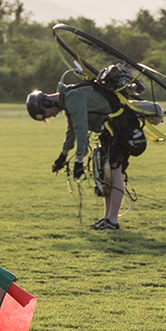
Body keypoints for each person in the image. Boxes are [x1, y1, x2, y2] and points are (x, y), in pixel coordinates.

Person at [26, 64, 149, 230]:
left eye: (49, 115)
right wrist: (63, 155)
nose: (53, 115)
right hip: (109, 131)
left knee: (115, 171)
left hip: (120, 126)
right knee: (105, 175)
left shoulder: (72, 98)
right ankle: (107, 218)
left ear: (47, 103)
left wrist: (79, 160)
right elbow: (72, 130)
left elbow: (81, 128)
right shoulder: (68, 98)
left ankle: (113, 220)